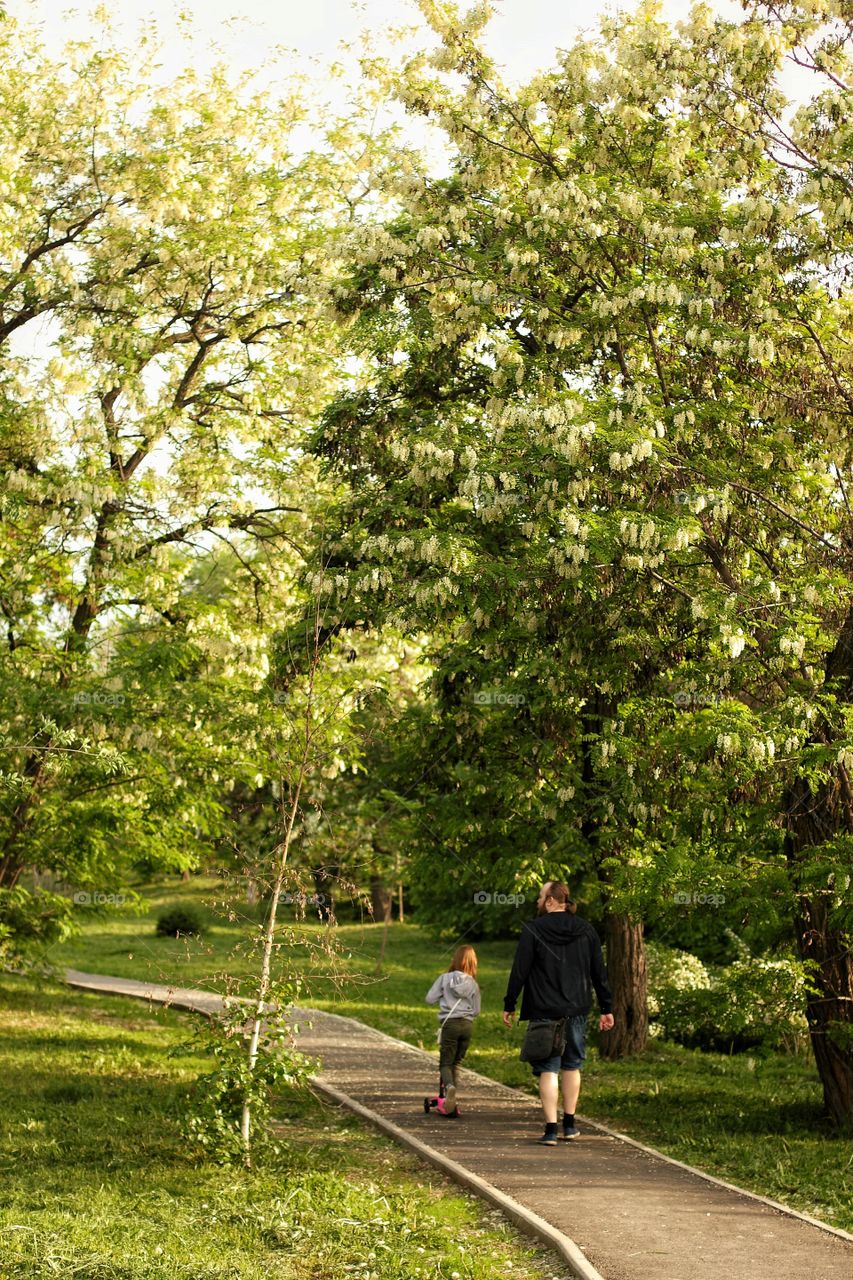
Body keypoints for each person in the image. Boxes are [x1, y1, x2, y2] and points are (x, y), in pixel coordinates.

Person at [502, 881, 614, 1146]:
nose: (537, 901)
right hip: (576, 1009)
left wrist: (510, 1003)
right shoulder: (586, 930)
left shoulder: (533, 929)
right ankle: (570, 1124)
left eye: (540, 897)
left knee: (548, 1069)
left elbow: (520, 970)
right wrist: (607, 1008)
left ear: (551, 901)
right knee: (572, 1065)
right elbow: (599, 972)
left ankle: (551, 1129)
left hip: (543, 1010)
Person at [425, 943, 481, 1116]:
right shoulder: (473, 984)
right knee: (456, 1063)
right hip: (467, 1025)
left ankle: (449, 1088)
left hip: (450, 1024)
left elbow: (429, 999)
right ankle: (452, 1101)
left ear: (455, 960)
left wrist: (444, 995)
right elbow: (476, 1010)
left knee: (445, 1064)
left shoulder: (444, 979)